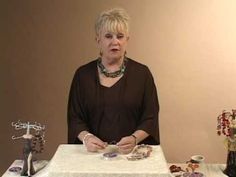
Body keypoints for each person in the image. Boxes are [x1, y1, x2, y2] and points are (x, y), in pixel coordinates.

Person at [67, 8, 160, 154]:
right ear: (98, 39)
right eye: (108, 36)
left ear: (127, 40)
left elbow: (151, 117)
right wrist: (87, 138)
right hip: (93, 155)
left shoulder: (142, 74)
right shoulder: (82, 75)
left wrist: (135, 138)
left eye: (120, 36)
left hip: (132, 155)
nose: (115, 42)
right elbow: (75, 118)